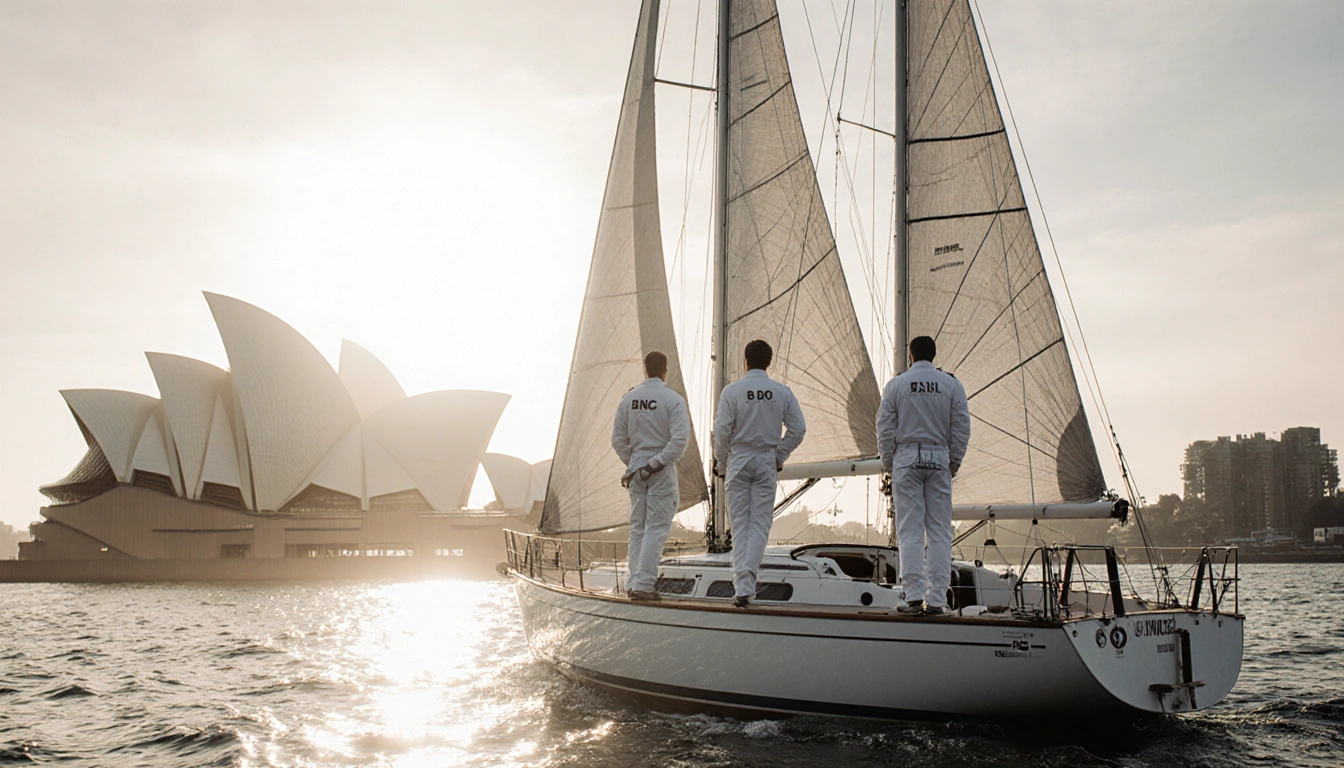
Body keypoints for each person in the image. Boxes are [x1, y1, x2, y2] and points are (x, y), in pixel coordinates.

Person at [876, 335, 971, 616]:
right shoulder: (951, 385)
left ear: (910, 356)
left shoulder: (896, 385)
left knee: (910, 531)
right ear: (934, 354)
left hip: (906, 458)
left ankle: (914, 596)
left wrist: (889, 463)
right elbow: (961, 426)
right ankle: (938, 599)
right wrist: (954, 460)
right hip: (939, 456)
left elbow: (884, 428)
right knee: (940, 531)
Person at [713, 340, 806, 608]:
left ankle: (742, 586)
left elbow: (721, 432)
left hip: (739, 460)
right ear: (770, 361)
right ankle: (745, 585)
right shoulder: (781, 391)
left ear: (745, 360)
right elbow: (798, 429)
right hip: (766, 460)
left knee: (740, 526)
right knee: (759, 526)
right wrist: (779, 456)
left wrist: (722, 463)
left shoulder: (732, 391)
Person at [611, 351, 691, 601]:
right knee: (656, 528)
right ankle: (644, 585)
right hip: (661, 471)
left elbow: (618, 440)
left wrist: (635, 464)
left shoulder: (628, 400)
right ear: (664, 369)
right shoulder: (673, 400)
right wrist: (655, 463)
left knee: (638, 529)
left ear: (645, 370)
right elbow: (679, 442)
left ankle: (632, 581)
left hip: (636, 472)